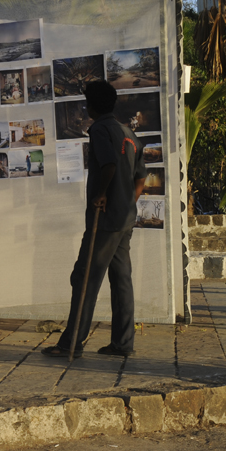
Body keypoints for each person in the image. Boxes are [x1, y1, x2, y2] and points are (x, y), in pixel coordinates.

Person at [43, 80, 146, 357]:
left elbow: (109, 163)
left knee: (85, 278)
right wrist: (127, 203)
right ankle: (123, 343)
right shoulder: (128, 132)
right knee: (122, 280)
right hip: (125, 218)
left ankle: (71, 343)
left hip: (105, 219)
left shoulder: (100, 128)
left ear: (91, 106)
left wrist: (102, 194)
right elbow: (141, 179)